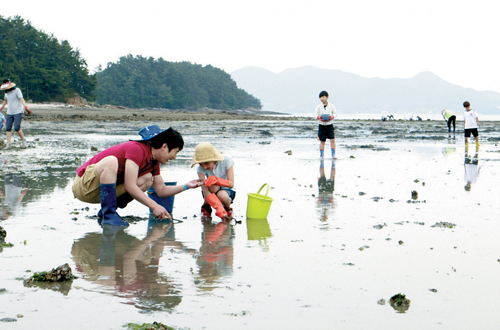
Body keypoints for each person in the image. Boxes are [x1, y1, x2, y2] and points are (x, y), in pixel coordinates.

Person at [72, 125, 203, 227]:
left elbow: (161, 190)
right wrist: (154, 206)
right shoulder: (137, 149)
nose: (174, 157)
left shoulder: (153, 162)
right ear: (164, 146)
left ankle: (106, 211)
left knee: (147, 179)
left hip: (103, 193)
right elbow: (130, 186)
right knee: (111, 161)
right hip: (84, 187)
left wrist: (187, 186)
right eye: (175, 152)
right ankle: (109, 215)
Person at [191, 142, 235, 220]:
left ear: (214, 159)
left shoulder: (227, 160)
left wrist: (217, 180)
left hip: (226, 189)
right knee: (213, 188)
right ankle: (206, 206)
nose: (204, 166)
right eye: (201, 164)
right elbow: (205, 191)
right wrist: (218, 206)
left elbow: (231, 184)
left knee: (222, 196)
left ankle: (227, 208)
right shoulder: (200, 169)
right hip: (211, 190)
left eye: (206, 163)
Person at [0, 79, 31, 149]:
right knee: (8, 128)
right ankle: (8, 144)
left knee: (17, 127)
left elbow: (21, 99)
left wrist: (26, 107)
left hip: (18, 111)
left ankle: (23, 140)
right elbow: (5, 101)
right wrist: (1, 108)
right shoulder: (6, 93)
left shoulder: (17, 90)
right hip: (9, 112)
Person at [314, 91, 337, 159]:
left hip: (329, 125)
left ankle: (333, 155)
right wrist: (319, 117)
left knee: (332, 139)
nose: (322, 99)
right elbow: (315, 115)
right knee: (322, 141)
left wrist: (331, 117)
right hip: (321, 125)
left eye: (323, 97)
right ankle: (321, 155)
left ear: (327, 97)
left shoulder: (331, 106)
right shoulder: (318, 107)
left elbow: (335, 114)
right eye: (320, 97)